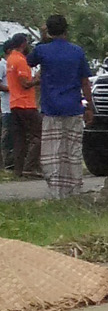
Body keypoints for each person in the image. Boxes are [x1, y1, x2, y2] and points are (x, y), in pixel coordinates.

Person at [29, 15, 92, 197]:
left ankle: (56, 192)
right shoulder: (77, 51)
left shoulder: (42, 51)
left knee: (52, 153)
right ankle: (74, 189)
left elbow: (30, 61)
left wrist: (43, 38)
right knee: (72, 151)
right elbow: (85, 82)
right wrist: (89, 107)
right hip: (73, 107)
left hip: (51, 109)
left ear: (48, 31)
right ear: (66, 30)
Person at [7, 33, 40, 179]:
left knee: (19, 138)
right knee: (40, 134)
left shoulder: (10, 60)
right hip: (25, 104)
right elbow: (25, 83)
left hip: (14, 103)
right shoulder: (20, 60)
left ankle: (18, 170)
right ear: (23, 44)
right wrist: (37, 79)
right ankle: (30, 167)